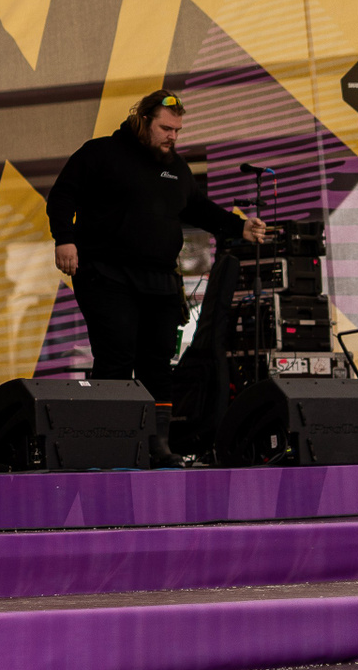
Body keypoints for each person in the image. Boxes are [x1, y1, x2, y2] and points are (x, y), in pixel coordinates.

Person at [46, 89, 266, 460]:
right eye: (166, 128)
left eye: (177, 130)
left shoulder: (176, 167)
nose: (173, 136)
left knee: (157, 363)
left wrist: (239, 226)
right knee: (116, 356)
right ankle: (111, 444)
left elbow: (198, 208)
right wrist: (64, 239)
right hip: (106, 273)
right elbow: (62, 196)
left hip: (160, 279)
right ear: (143, 120)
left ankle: (157, 445)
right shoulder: (101, 153)